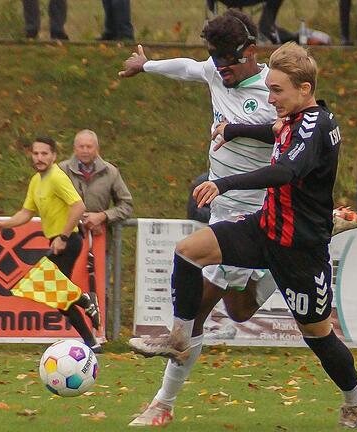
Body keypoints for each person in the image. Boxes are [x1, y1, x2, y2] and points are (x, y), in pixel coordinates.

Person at [129, 42, 357, 429]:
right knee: (188, 251)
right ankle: (179, 336)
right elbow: (270, 130)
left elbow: (284, 173)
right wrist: (232, 128)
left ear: (304, 90)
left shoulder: (315, 126)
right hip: (265, 227)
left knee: (318, 336)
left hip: (299, 250)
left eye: (277, 91)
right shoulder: (293, 119)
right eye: (270, 89)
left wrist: (224, 183)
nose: (270, 97)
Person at [120, 10, 281, 427]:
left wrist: (236, 130)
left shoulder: (273, 88)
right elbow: (189, 68)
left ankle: (163, 404)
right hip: (223, 208)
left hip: (254, 212)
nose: (221, 71)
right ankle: (282, 268)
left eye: (228, 63)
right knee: (240, 308)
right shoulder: (215, 68)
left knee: (196, 315)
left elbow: (288, 131)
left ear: (250, 52)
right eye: (217, 62)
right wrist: (146, 65)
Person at [0, 137, 102, 352]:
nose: (39, 158)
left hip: (69, 241)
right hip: (57, 240)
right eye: (36, 153)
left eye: (44, 154)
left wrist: (63, 237)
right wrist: (3, 224)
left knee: (48, 287)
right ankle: (91, 341)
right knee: (58, 297)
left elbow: (78, 207)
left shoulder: (57, 177)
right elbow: (26, 213)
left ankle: (85, 302)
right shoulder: (36, 181)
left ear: (54, 156)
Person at [58, 129, 133, 235]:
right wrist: (76, 218)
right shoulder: (61, 170)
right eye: (81, 146)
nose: (85, 150)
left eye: (89, 147)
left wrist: (103, 216)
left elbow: (126, 205)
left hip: (99, 238)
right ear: (74, 149)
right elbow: (49, 202)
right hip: (66, 237)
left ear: (97, 149)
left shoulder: (110, 172)